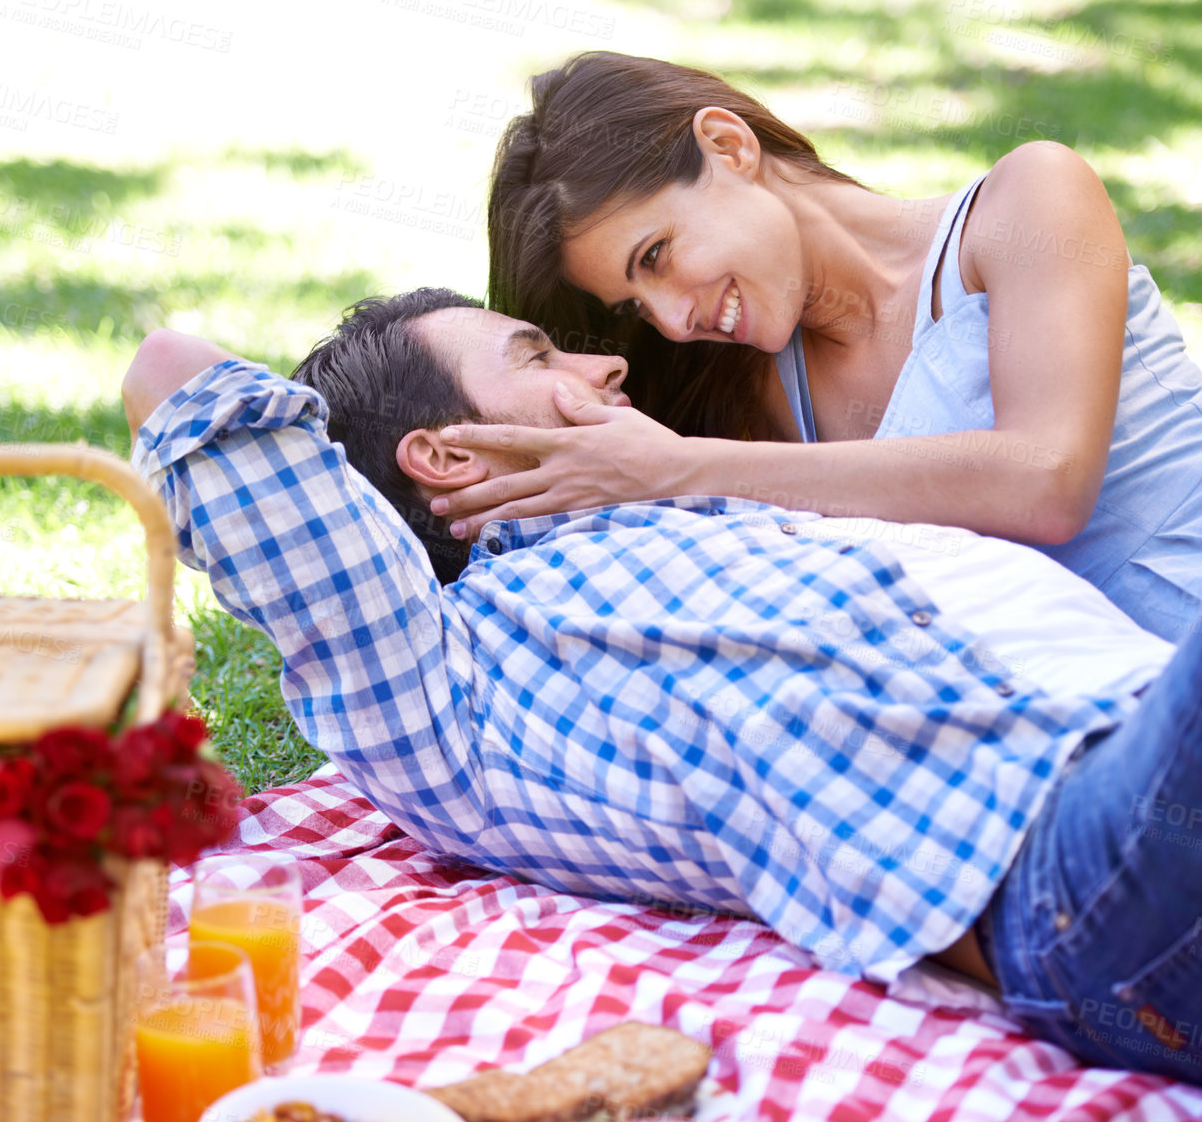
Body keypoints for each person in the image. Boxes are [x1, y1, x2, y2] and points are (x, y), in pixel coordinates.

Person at [121, 293, 1202, 1082]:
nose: (606, 366)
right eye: (537, 355)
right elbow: (170, 366)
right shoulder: (449, 672)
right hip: (1079, 863)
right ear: (447, 457)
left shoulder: (717, 509)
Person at [435, 52, 1202, 645]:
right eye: (635, 304)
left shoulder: (1025, 202)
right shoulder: (754, 397)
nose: (671, 323)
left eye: (658, 255)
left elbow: (1046, 481)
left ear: (726, 146)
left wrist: (678, 467)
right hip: (1094, 745)